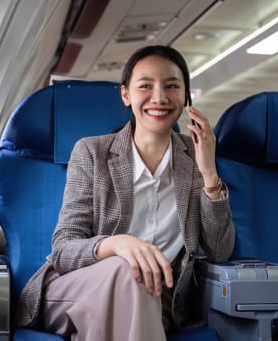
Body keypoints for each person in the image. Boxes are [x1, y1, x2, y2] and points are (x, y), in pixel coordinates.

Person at [15, 45, 235, 340]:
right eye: (146, 86)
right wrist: (117, 245)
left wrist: (209, 174)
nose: (159, 98)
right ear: (126, 95)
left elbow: (220, 251)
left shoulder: (196, 159)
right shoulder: (92, 153)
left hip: (155, 299)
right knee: (125, 270)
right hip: (78, 288)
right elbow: (63, 250)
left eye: (172, 86)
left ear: (185, 97)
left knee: (131, 290)